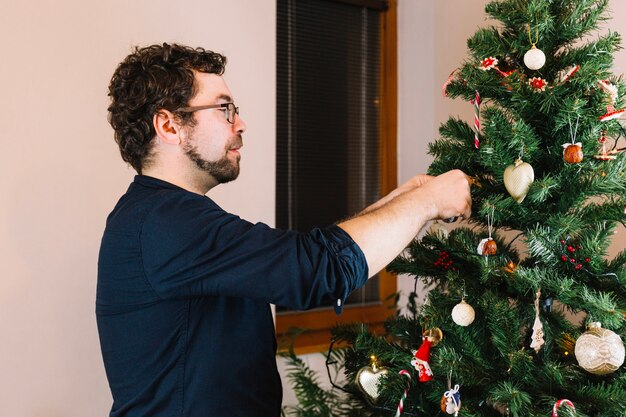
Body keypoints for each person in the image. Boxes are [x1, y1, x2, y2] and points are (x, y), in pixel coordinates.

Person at [97, 43, 472, 417]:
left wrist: (405, 199)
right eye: (224, 109)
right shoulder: (166, 225)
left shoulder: (165, 216)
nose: (240, 124)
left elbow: (311, 255)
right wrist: (428, 203)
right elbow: (318, 268)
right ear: (169, 125)